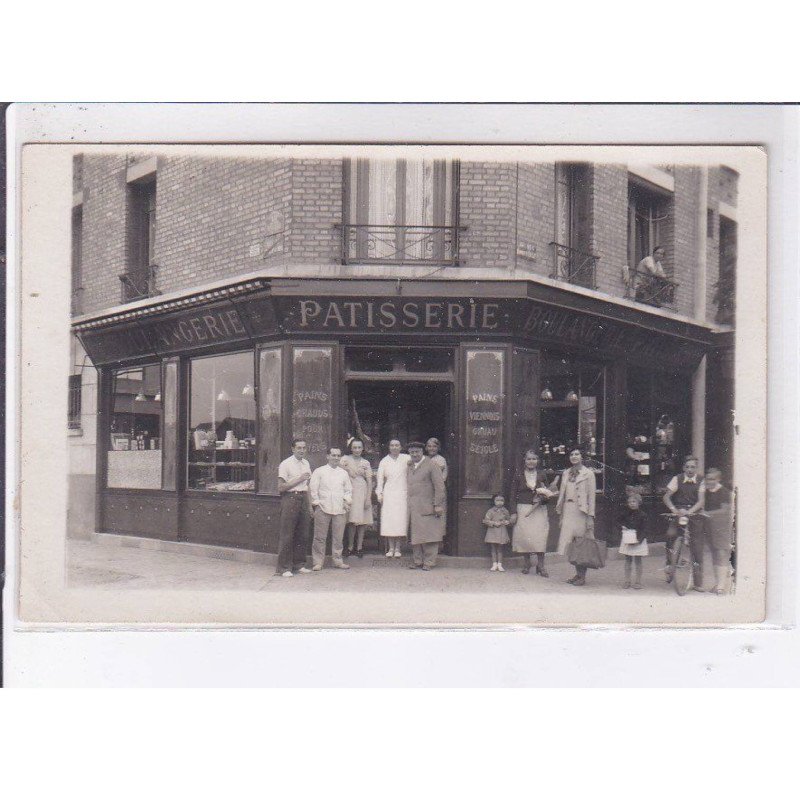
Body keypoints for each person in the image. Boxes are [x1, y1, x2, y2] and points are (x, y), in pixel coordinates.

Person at [509, 450, 559, 577]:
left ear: (537, 461)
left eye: (534, 459)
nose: (531, 461)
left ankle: (541, 565)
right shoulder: (518, 475)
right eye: (528, 459)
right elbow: (513, 495)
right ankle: (527, 563)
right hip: (523, 508)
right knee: (524, 537)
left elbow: (548, 492)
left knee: (539, 537)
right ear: (524, 461)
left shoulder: (542, 474)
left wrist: (545, 497)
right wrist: (513, 512)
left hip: (539, 510)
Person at [663, 455, 706, 591]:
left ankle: (698, 583)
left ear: (696, 468)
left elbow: (701, 501)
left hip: (694, 513)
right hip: (679, 512)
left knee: (697, 546)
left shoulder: (701, 480)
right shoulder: (677, 479)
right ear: (683, 468)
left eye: (693, 467)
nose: (690, 469)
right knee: (670, 534)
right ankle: (670, 563)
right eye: (687, 467)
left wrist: (690, 511)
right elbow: (666, 496)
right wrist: (674, 509)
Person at [556, 448, 597, 586]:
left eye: (577, 454)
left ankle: (582, 576)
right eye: (572, 454)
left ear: (582, 456)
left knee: (581, 544)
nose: (574, 456)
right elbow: (563, 494)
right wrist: (561, 515)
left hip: (581, 512)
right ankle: (577, 574)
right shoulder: (566, 473)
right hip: (568, 510)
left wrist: (590, 517)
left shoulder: (588, 474)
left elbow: (591, 497)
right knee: (571, 544)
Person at [309, 447, 353, 571]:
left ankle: (338, 561)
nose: (336, 458)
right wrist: (317, 504)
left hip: (339, 508)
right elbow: (313, 489)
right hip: (323, 508)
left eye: (338, 456)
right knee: (319, 537)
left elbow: (348, 490)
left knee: (338, 537)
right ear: (327, 456)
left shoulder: (343, 473)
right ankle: (318, 562)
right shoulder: (319, 471)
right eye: (333, 455)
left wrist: (346, 501)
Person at [275, 439, 314, 578]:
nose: (302, 450)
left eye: (304, 447)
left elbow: (307, 486)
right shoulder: (285, 464)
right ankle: (284, 568)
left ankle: (299, 564)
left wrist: (309, 505)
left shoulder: (306, 463)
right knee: (287, 534)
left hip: (303, 498)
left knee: (303, 534)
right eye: (299, 448)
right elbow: (281, 487)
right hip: (290, 499)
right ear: (293, 449)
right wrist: (299, 479)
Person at [406, 441, 446, 570]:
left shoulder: (432, 465)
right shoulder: (410, 466)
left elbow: (440, 486)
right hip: (414, 507)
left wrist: (438, 505)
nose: (414, 454)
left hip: (428, 506)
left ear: (422, 452)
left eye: (417, 451)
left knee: (430, 536)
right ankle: (417, 561)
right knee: (416, 536)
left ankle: (429, 562)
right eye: (412, 452)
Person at [375, 439, 411, 557]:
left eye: (397, 445)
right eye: (392, 445)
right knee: (390, 521)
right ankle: (391, 548)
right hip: (389, 493)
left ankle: (398, 548)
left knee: (400, 520)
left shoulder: (406, 458)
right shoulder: (384, 461)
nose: (394, 447)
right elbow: (380, 479)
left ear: (401, 447)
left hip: (402, 493)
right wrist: (379, 493)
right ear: (389, 447)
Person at [340, 438, 374, 559]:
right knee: (351, 521)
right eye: (354, 447)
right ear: (351, 448)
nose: (357, 450)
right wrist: (348, 469)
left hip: (361, 490)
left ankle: (359, 547)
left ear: (362, 448)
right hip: (349, 490)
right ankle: (349, 547)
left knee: (362, 521)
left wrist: (368, 498)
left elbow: (369, 481)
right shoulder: (345, 459)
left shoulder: (365, 462)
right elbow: (339, 469)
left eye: (359, 447)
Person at [703, 467, 735, 594]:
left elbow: (725, 510)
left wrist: (706, 513)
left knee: (721, 553)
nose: (709, 481)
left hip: (721, 526)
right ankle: (718, 584)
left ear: (718, 479)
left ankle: (721, 586)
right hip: (709, 526)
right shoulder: (704, 492)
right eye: (708, 478)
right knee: (714, 553)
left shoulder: (724, 492)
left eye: (712, 479)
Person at [618, 492, 649, 589]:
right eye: (630, 502)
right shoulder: (624, 513)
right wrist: (622, 526)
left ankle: (638, 581)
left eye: (634, 501)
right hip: (628, 538)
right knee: (627, 560)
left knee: (638, 560)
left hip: (638, 539)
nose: (632, 503)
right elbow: (617, 522)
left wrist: (639, 540)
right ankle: (627, 580)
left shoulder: (643, 515)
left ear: (639, 502)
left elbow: (645, 529)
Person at [483, 494, 511, 572]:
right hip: (493, 531)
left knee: (500, 549)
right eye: (497, 500)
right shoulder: (491, 511)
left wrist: (507, 522)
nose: (499, 502)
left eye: (502, 500)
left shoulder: (505, 511)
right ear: (494, 501)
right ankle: (494, 564)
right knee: (493, 548)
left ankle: (500, 564)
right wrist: (494, 523)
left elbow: (509, 519)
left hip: (502, 530)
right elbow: (486, 520)